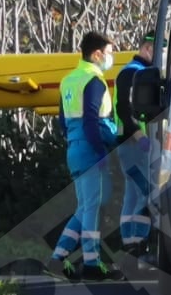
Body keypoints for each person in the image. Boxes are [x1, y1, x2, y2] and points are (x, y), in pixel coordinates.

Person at [46, 31, 122, 281]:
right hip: (90, 148)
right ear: (97, 53)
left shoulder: (69, 80)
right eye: (110, 53)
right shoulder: (93, 80)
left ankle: (57, 258)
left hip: (74, 147)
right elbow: (92, 118)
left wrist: (75, 142)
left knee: (88, 204)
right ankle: (92, 263)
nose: (111, 58)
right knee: (92, 207)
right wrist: (101, 152)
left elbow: (62, 121)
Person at [115, 31, 156, 256]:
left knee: (132, 194)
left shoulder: (130, 71)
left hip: (128, 143)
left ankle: (129, 243)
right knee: (146, 191)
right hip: (135, 143)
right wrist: (141, 137)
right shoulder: (135, 73)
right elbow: (124, 109)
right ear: (147, 48)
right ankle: (139, 242)